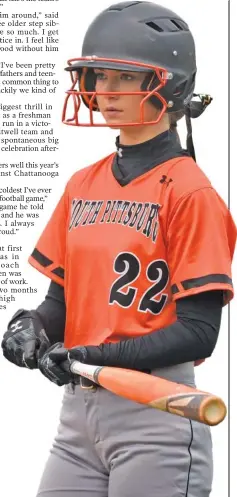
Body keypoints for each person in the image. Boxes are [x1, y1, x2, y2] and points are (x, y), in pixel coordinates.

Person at [1, 2, 236, 496]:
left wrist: (95, 352)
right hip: (78, 417)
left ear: (167, 85)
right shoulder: (82, 183)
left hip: (156, 412)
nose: (102, 91)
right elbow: (60, 304)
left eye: (120, 77)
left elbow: (199, 333)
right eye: (96, 76)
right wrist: (33, 325)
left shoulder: (191, 193)